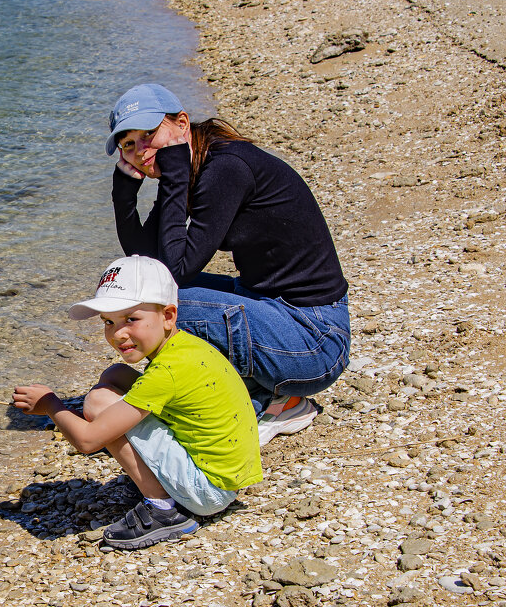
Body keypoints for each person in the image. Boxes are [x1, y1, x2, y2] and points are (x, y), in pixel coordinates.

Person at [104, 83, 351, 446]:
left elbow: (180, 269)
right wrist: (123, 189)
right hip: (283, 319)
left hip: (314, 340)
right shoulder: (196, 166)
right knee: (150, 290)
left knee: (164, 306)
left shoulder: (226, 168)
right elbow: (148, 264)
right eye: (129, 144)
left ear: (182, 123)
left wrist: (173, 176)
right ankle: (231, 392)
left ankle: (273, 402)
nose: (142, 151)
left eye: (149, 134)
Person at [12, 255, 262, 550]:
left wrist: (52, 405)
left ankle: (164, 509)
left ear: (168, 316)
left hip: (207, 491)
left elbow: (88, 442)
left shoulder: (166, 372)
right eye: (108, 322)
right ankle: (157, 480)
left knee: (97, 402)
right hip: (224, 475)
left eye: (131, 319)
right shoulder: (185, 348)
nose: (118, 334)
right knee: (115, 374)